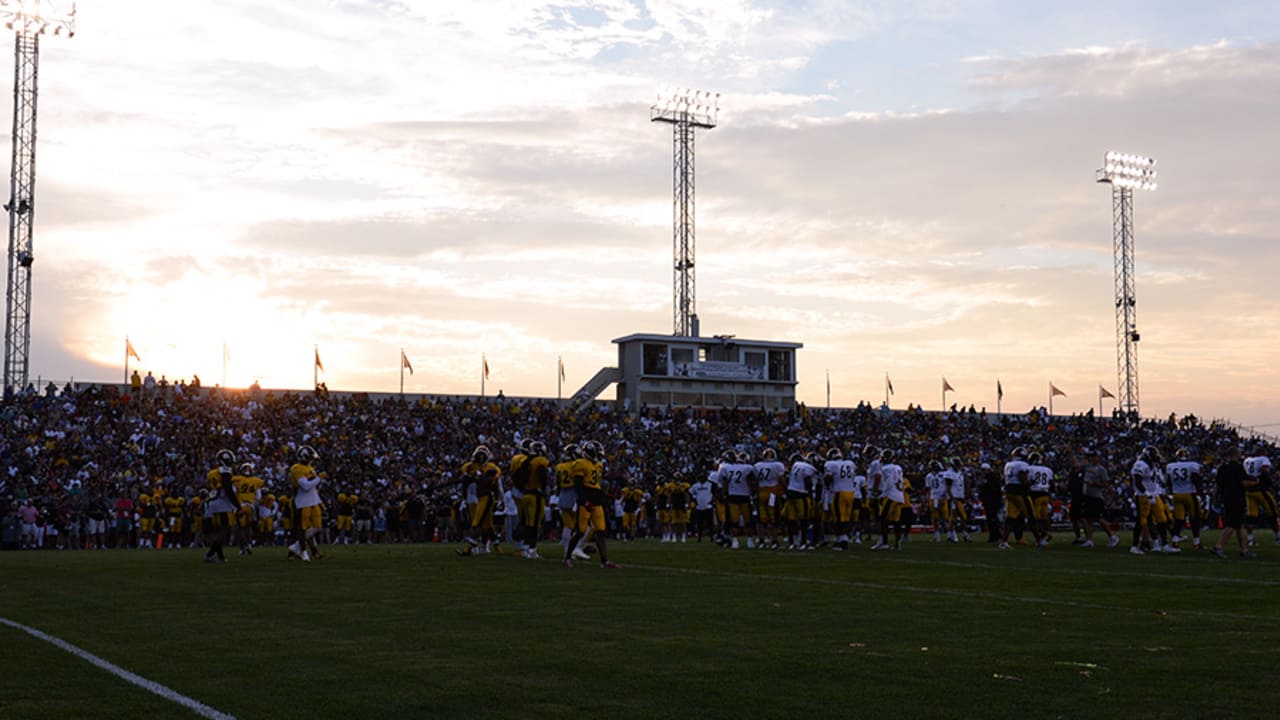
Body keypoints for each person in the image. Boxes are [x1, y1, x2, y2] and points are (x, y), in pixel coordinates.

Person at [564, 441, 618, 569]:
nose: (599, 455)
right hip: (585, 500)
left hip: (596, 500)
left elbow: (596, 485)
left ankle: (604, 561)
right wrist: (585, 500)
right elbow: (579, 485)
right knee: (580, 531)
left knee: (600, 531)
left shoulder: (598, 465)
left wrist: (604, 496)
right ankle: (567, 557)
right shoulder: (580, 463)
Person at [1211, 445, 1255, 559]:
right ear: (1236, 454)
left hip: (1226, 498)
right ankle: (1218, 546)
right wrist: (1256, 483)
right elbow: (1244, 483)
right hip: (1237, 498)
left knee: (1239, 525)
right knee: (1232, 524)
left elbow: (1218, 485)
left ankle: (1244, 550)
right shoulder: (1238, 467)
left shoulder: (1222, 468)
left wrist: (1215, 497)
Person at [289, 445, 325, 561]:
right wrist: (319, 478)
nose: (311, 460)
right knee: (303, 528)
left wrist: (320, 502)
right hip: (302, 502)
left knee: (317, 527)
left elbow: (313, 487)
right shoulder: (296, 468)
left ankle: (296, 547)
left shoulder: (309, 467)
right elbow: (306, 486)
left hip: (313, 500)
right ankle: (304, 552)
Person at [1078, 448, 1120, 548]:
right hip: (1087, 496)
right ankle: (1089, 540)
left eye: (1093, 457)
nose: (1091, 459)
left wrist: (1095, 483)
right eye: (1090, 457)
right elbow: (1078, 464)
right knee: (1089, 519)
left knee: (1098, 518)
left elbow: (1105, 484)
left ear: (1097, 458)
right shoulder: (1087, 467)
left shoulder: (1101, 469)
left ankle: (1112, 536)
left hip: (1096, 496)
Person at [203, 449, 239, 563]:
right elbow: (227, 488)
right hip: (221, 503)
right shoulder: (225, 471)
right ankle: (210, 554)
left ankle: (219, 556)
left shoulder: (211, 473)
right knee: (224, 531)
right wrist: (237, 504)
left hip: (212, 503)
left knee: (218, 531)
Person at [1166, 448, 1205, 548]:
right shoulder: (1192, 465)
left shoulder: (1171, 466)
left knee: (1178, 519)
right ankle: (1196, 542)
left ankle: (1175, 541)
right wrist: (1201, 492)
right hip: (1189, 494)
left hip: (1176, 495)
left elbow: (1168, 482)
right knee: (1194, 518)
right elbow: (1195, 479)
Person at [1242, 451, 1278, 547]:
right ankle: (1278, 537)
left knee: (1251, 516)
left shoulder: (1247, 460)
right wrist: (1269, 482)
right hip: (1260, 491)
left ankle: (1250, 539)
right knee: (1273, 513)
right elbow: (1264, 470)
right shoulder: (1263, 459)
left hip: (1249, 492)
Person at [753, 448, 786, 548]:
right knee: (773, 518)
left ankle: (762, 541)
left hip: (761, 492)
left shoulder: (757, 466)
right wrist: (785, 489)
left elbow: (755, 481)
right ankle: (774, 541)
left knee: (761, 518)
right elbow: (781, 479)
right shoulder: (777, 465)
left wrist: (755, 493)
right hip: (772, 493)